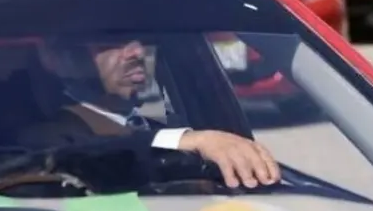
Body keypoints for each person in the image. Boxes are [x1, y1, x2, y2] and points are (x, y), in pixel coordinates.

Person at [27, 36, 280, 189]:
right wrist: (190, 140)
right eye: (113, 41)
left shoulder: (149, 125)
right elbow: (92, 154)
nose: (137, 51)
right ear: (58, 58)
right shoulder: (46, 135)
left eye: (140, 38)